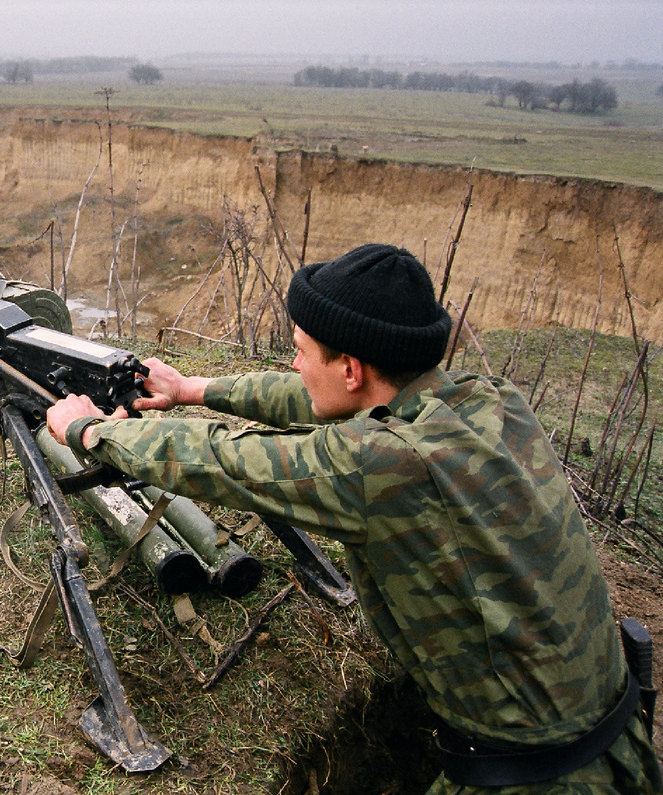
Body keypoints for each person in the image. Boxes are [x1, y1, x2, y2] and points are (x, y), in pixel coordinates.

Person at [46, 243, 662, 793]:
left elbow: (227, 462)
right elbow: (318, 400)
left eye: (299, 351)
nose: (293, 365)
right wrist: (193, 389)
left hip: (536, 779)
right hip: (619, 743)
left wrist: (90, 431)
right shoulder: (486, 398)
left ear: (351, 368)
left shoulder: (385, 467)